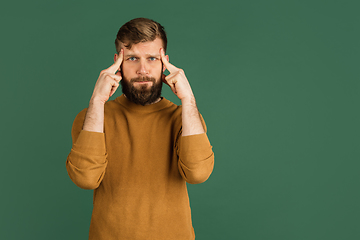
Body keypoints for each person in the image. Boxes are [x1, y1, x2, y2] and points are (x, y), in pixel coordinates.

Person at [66, 17, 214, 240]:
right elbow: (86, 179)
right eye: (132, 58)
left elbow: (198, 174)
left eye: (152, 58)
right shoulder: (93, 118)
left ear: (165, 63)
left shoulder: (184, 118)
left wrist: (188, 99)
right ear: (117, 63)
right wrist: (97, 100)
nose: (143, 69)